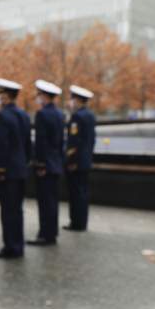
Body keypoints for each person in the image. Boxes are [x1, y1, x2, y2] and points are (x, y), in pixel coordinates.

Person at [0, 78, 32, 259]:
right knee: (17, 210)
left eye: (0, 93)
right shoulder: (23, 114)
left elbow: (3, 146)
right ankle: (18, 244)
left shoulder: (1, 116)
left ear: (5, 96)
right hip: (21, 168)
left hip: (8, 170)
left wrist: (0, 169)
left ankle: (10, 247)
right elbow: (28, 144)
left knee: (8, 210)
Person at [29, 79, 65, 246]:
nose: (37, 98)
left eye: (39, 95)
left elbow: (41, 142)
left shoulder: (42, 114)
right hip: (56, 163)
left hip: (46, 165)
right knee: (52, 201)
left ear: (44, 96)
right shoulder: (59, 114)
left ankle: (45, 235)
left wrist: (40, 164)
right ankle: (52, 232)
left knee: (45, 202)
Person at [64, 85, 97, 232]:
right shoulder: (90, 115)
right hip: (86, 160)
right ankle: (82, 222)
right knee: (83, 193)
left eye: (72, 99)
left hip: (76, 162)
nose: (71, 102)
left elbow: (73, 141)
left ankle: (76, 223)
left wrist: (71, 161)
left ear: (77, 100)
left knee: (76, 193)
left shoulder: (77, 116)